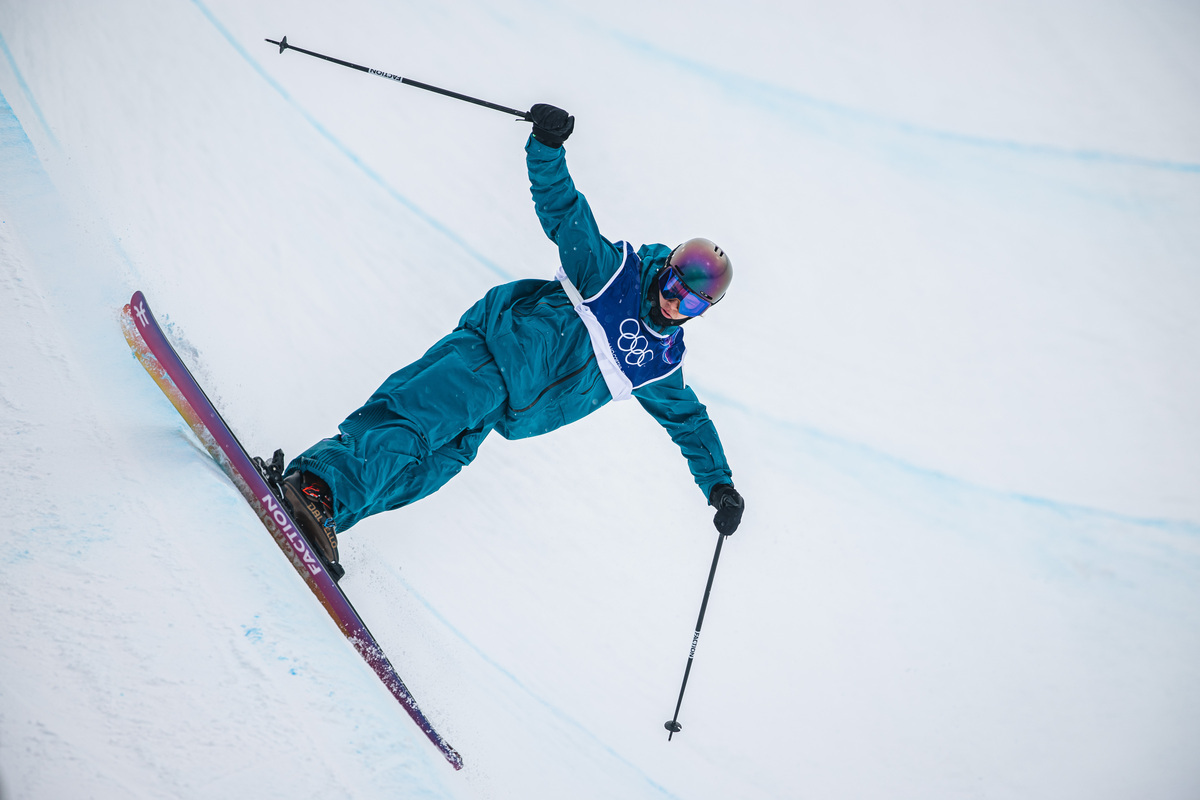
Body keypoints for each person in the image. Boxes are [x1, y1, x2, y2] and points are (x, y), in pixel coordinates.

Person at [279, 104, 745, 575]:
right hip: (490, 356)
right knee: (413, 426)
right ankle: (315, 486)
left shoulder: (659, 361)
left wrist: (719, 486)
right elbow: (563, 210)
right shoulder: (611, 274)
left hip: (504, 410)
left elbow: (689, 422)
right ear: (664, 269)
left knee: (425, 471)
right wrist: (547, 146)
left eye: (690, 304)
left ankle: (322, 515)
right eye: (672, 287)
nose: (673, 303)